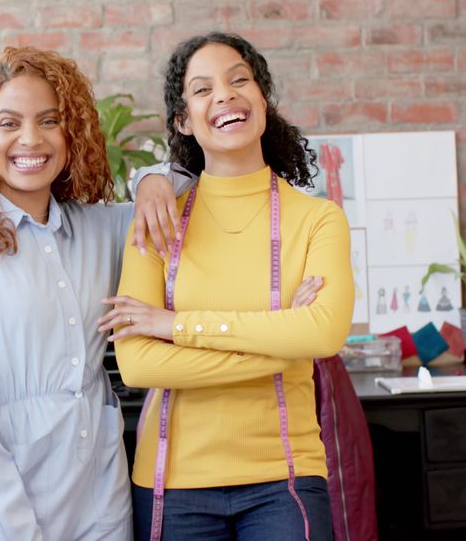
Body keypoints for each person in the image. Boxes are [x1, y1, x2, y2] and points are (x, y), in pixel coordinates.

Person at [0, 46, 189, 540]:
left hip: (98, 510)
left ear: (71, 134)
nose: (30, 139)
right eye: (9, 123)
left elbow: (191, 177)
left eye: (49, 120)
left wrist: (149, 179)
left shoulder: (97, 230)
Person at [102, 32, 353, 540]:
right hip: (172, 482)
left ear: (263, 99)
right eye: (202, 89)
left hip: (284, 479)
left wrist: (175, 326)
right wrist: (280, 346)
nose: (224, 95)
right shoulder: (156, 220)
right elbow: (139, 363)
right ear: (183, 120)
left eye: (240, 80)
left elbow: (323, 334)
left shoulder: (319, 220)